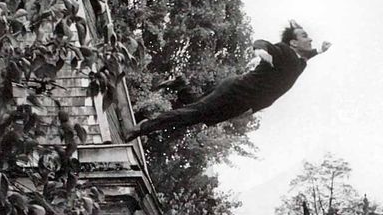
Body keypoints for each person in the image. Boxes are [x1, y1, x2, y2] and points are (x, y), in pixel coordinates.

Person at [123, 20, 331, 140]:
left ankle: (180, 84)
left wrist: (320, 50)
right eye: (305, 36)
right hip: (236, 91)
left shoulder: (300, 61)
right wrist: (259, 50)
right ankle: (142, 128)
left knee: (200, 114)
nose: (310, 39)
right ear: (294, 42)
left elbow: (308, 53)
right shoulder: (285, 51)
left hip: (243, 103)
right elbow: (263, 42)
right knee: (194, 114)